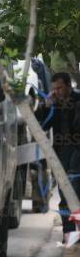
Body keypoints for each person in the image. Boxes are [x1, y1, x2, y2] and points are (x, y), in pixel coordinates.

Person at [36, 72, 80, 242]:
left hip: (76, 153)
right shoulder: (54, 104)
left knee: (74, 193)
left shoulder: (77, 101)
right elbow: (43, 125)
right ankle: (69, 235)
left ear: (69, 86)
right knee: (64, 197)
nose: (57, 92)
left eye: (60, 88)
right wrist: (47, 106)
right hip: (61, 154)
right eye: (54, 89)